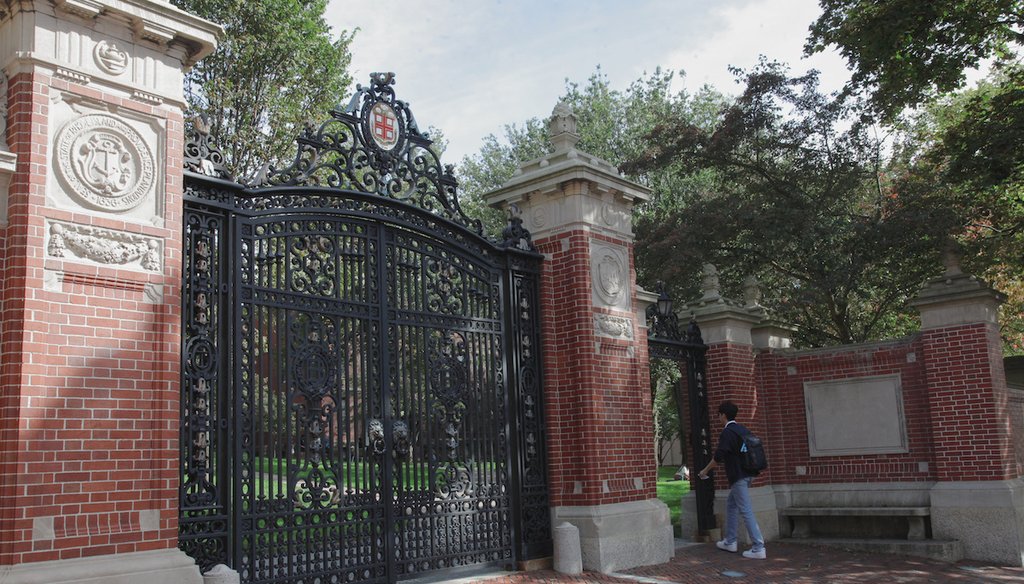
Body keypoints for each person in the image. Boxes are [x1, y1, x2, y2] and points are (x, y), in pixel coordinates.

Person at [697, 400, 766, 559]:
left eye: (719, 415)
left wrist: (705, 471)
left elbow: (719, 456)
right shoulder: (742, 429)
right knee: (731, 504)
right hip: (748, 474)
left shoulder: (728, 432)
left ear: (723, 415)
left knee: (745, 509)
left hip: (738, 475)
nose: (718, 418)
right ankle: (730, 541)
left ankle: (758, 547)